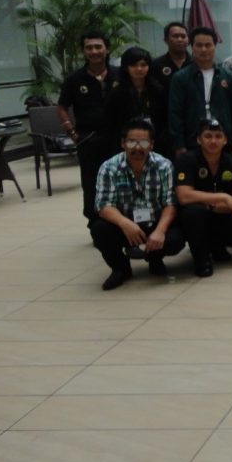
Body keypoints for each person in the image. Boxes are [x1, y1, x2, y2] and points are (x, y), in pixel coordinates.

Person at [90, 118, 184, 290]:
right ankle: (121, 268)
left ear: (151, 145)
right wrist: (125, 223)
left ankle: (155, 258)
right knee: (99, 230)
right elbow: (103, 206)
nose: (138, 147)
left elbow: (170, 204)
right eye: (132, 142)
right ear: (123, 143)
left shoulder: (164, 165)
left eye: (144, 142)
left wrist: (160, 231)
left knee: (175, 239)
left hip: (155, 222)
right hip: (124, 224)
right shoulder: (109, 167)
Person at [174, 118, 232, 277]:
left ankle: (217, 245)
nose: (213, 141)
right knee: (194, 212)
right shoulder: (186, 160)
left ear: (225, 140)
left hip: (222, 213)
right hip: (194, 217)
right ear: (199, 140)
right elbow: (184, 196)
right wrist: (222, 197)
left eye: (218, 136)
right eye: (208, 136)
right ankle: (202, 260)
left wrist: (225, 205)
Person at [58, 31, 118, 220]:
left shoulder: (120, 75)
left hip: (118, 138)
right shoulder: (74, 79)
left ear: (107, 49)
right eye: (89, 48)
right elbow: (62, 107)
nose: (94, 51)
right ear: (83, 52)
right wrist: (72, 132)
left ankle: (121, 219)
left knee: (120, 180)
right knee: (92, 182)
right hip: (89, 139)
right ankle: (95, 221)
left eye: (98, 47)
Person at [168, 26, 232, 158]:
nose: (204, 49)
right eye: (199, 45)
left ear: (215, 46)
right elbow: (175, 114)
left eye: (208, 45)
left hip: (224, 141)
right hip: (192, 142)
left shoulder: (228, 76)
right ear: (192, 47)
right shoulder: (180, 78)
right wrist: (179, 145)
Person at [104, 46, 167, 156]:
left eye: (143, 65)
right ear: (126, 67)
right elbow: (111, 124)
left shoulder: (158, 90)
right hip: (125, 146)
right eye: (134, 65)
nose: (139, 69)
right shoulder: (116, 93)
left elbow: (163, 120)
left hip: (155, 144)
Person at [152, 21, 191, 99]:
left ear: (188, 40)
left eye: (183, 36)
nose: (180, 39)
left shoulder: (197, 64)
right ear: (166, 40)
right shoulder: (156, 65)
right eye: (175, 36)